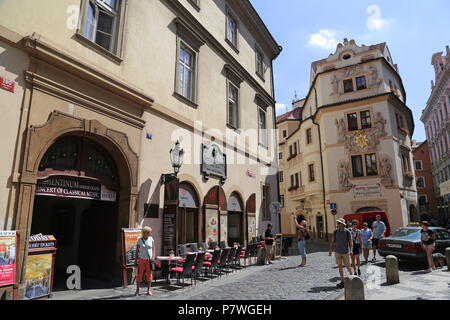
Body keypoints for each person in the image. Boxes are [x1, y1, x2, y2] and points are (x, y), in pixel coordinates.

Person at [329, 218, 353, 289]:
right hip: (337, 251)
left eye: (339, 223)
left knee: (348, 266)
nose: (338, 224)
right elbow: (332, 241)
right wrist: (330, 250)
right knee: (340, 266)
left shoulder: (347, 232)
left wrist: (351, 250)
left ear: (343, 224)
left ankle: (352, 278)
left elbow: (351, 242)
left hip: (345, 252)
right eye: (338, 223)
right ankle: (342, 281)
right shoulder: (335, 232)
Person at [135, 226, 155, 296]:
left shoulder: (151, 239)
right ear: (145, 233)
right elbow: (137, 251)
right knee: (139, 275)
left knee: (149, 275)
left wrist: (153, 257)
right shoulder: (139, 240)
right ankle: (137, 290)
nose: (150, 233)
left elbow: (153, 249)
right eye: (149, 232)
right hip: (141, 259)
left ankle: (148, 290)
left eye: (150, 232)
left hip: (149, 260)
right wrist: (135, 260)